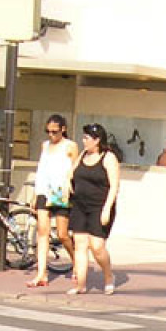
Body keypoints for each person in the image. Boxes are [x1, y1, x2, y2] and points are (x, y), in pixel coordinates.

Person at [67, 123, 120, 295]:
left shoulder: (108, 158)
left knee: (97, 246)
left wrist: (107, 209)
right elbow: (72, 173)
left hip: (99, 206)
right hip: (80, 206)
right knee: (80, 245)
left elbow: (114, 186)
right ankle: (80, 285)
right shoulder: (82, 155)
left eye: (87, 138)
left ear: (97, 140)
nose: (83, 141)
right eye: (83, 137)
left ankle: (108, 276)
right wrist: (68, 184)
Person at [27, 114, 79, 288]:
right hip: (45, 190)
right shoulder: (45, 145)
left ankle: (76, 261)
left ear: (63, 129)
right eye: (48, 132)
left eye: (55, 132)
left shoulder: (70, 146)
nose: (51, 135)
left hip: (61, 192)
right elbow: (41, 169)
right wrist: (35, 194)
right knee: (42, 231)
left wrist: (73, 189)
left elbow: (75, 169)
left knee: (63, 234)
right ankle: (42, 273)